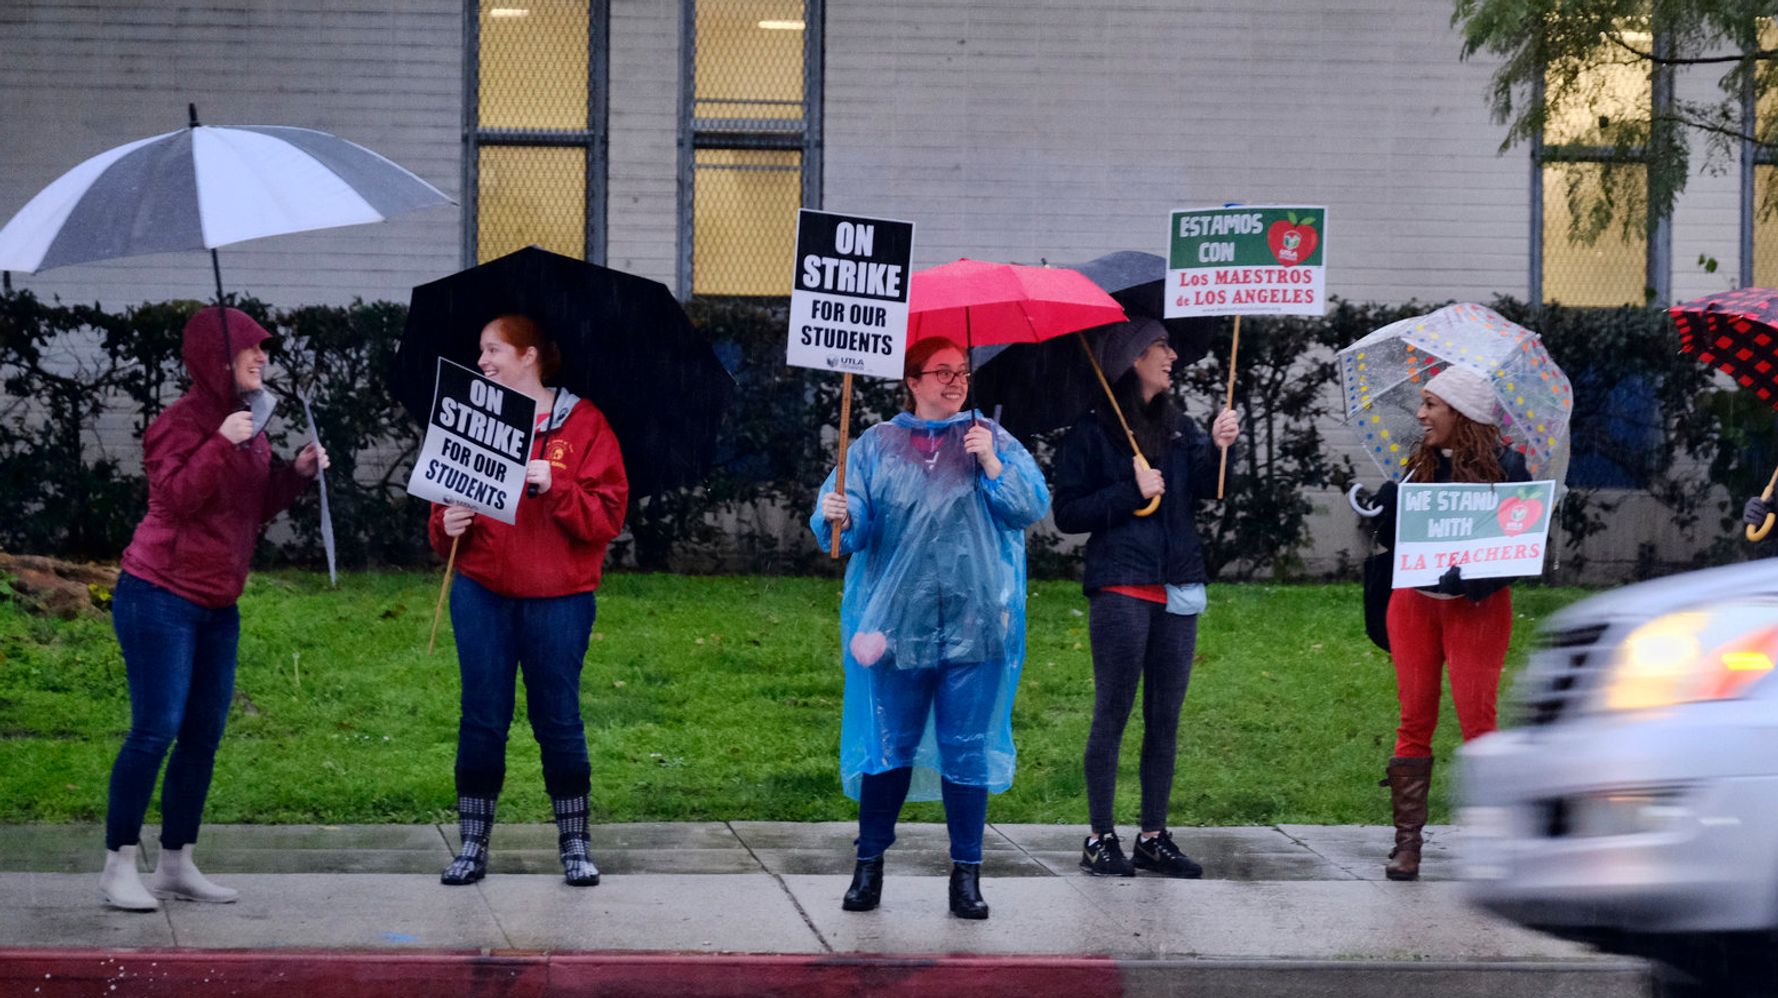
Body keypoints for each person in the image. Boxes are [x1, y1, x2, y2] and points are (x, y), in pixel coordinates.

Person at [811, 336, 1050, 920]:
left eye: (962, 371)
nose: (955, 381)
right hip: (895, 630)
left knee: (967, 753)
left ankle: (966, 876)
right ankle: (868, 867)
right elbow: (849, 525)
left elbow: (1030, 505)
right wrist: (839, 513)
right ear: (912, 381)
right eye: (941, 371)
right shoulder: (873, 445)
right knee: (887, 746)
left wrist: (991, 462)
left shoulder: (992, 441)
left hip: (975, 629)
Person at [100, 306, 329, 911]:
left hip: (216, 605)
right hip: (159, 595)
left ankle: (177, 863)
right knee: (156, 730)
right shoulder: (180, 425)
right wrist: (219, 443)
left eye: (264, 351)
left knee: (202, 735)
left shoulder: (247, 422)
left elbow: (246, 507)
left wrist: (296, 474)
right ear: (214, 357)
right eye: (250, 350)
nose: (262, 359)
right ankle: (118, 864)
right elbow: (175, 499)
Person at [428, 314, 628, 888]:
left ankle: (575, 846)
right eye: (481, 350)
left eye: (493, 350)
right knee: (482, 719)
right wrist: (449, 521)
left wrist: (555, 483)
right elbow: (441, 515)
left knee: (558, 720)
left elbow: (607, 516)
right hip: (481, 593)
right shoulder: (470, 416)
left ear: (529, 355)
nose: (483, 361)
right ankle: (472, 845)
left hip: (559, 600)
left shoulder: (584, 424)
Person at [1051, 320, 1239, 880]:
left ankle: (1153, 836)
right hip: (1122, 586)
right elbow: (1067, 514)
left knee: (1166, 718)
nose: (1172, 355)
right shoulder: (1091, 432)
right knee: (1113, 712)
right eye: (1161, 346)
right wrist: (1129, 492)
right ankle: (1100, 837)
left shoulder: (1177, 426)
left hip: (1178, 585)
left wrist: (1222, 444)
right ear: (1132, 357)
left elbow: (1208, 486)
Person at [1367, 364, 1528, 881]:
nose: (1420, 415)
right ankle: (1407, 845)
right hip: (1413, 605)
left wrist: (1474, 580)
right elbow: (1391, 542)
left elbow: (1521, 552)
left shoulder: (1511, 471)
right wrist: (1385, 507)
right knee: (1414, 719)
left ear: (1463, 413)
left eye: (1431, 405)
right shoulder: (1417, 470)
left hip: (1476, 609)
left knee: (1478, 720)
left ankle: (1492, 843)